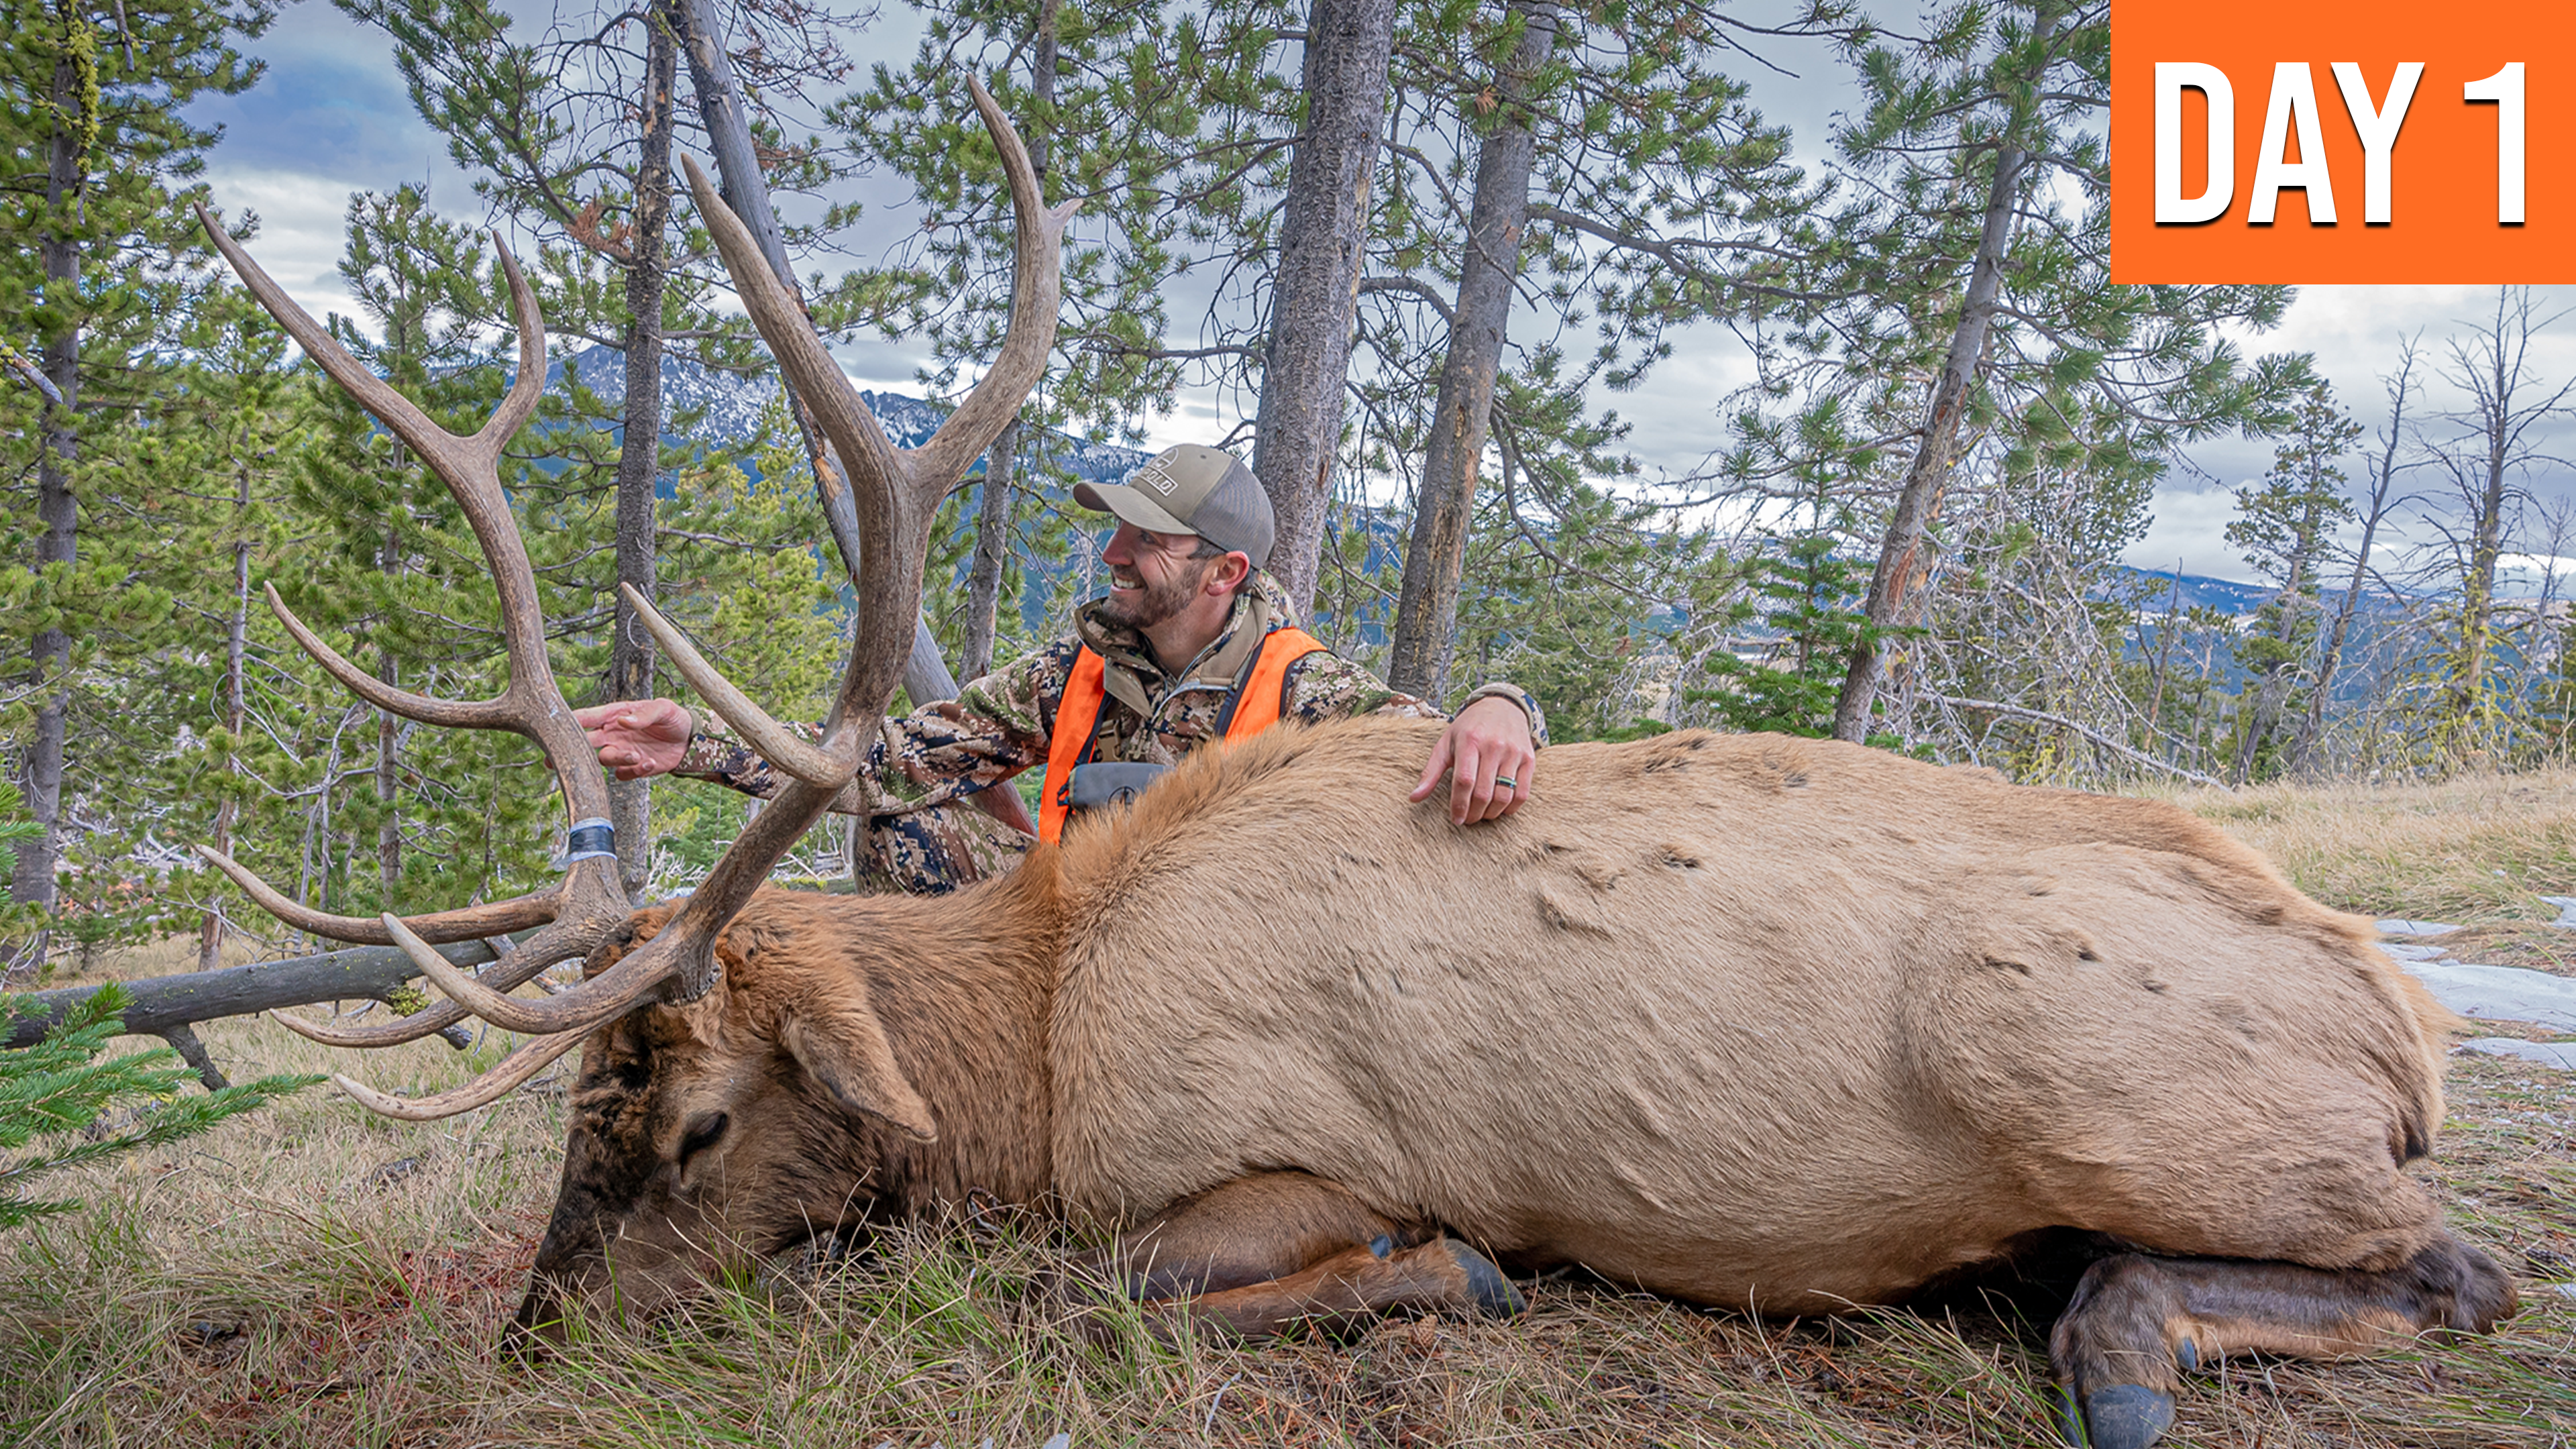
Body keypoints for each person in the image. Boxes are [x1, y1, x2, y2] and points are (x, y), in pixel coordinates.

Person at [577, 443, 1544, 894]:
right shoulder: (1068, 672)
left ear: (1225, 572)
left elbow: (1435, 742)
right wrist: (697, 747)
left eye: (1146, 539)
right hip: (1065, 920)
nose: (1114, 553)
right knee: (903, 830)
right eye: (1116, 529)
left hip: (1211, 963)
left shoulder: (1302, 686)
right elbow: (881, 767)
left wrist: (1502, 704)